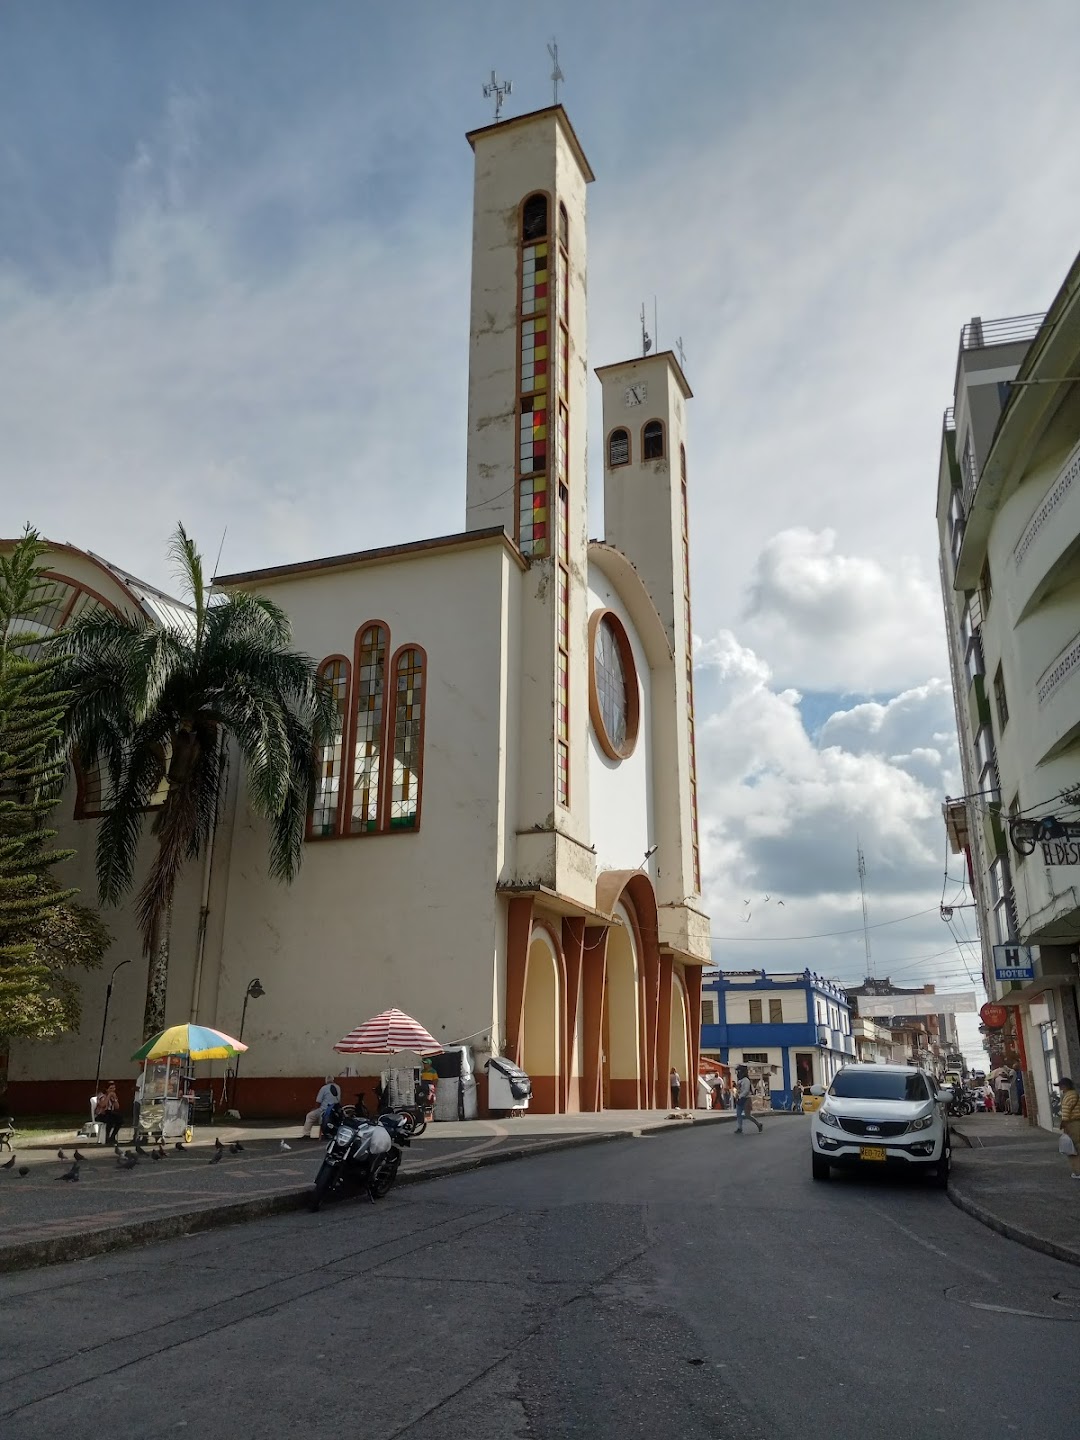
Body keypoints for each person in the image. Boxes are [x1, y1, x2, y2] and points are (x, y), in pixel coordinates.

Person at [1056, 1077, 1080, 1180]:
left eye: (1061, 1086)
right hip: (1078, 1121)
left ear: (1065, 1086)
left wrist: (1064, 1126)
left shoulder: (1067, 1097)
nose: (1061, 1089)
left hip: (1072, 1124)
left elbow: (1065, 1114)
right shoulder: (1075, 1094)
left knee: (1073, 1149)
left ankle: (1077, 1171)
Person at [734, 1067, 763, 1134]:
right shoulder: (740, 1080)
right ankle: (739, 1128)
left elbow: (746, 1091)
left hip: (746, 1099)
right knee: (738, 1114)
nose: (738, 1073)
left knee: (748, 1115)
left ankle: (758, 1124)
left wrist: (740, 1096)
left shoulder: (746, 1080)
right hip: (740, 1099)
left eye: (739, 1071)